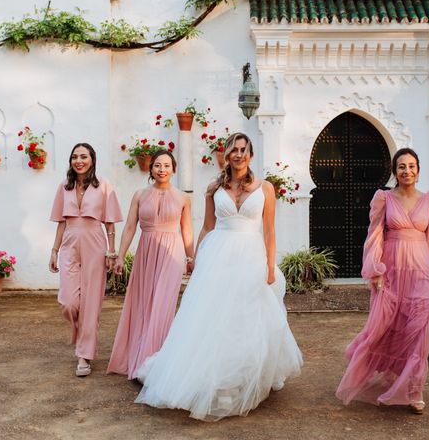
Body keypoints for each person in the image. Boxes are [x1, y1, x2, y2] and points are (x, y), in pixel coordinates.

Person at [134, 132, 303, 421]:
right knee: (213, 317)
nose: (238, 155)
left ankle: (239, 379)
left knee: (245, 317)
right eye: (233, 150)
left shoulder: (266, 189)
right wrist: (197, 259)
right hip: (218, 256)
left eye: (243, 150)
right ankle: (215, 380)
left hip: (251, 257)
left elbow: (270, 231)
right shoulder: (214, 188)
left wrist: (270, 267)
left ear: (250, 155)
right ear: (226, 154)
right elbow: (207, 227)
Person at [336, 148, 429, 414]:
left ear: (418, 169)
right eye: (401, 166)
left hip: (421, 269)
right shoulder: (384, 198)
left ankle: (414, 388)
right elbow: (374, 234)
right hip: (391, 267)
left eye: (412, 166)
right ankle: (390, 374)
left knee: (420, 325)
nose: (407, 171)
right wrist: (376, 269)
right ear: (394, 171)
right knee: (389, 324)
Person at [107, 149, 194, 379]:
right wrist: (119, 256)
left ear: (173, 169)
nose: (162, 169)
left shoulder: (184, 198)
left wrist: (190, 257)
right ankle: (140, 360)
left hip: (171, 254)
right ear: (151, 168)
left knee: (163, 305)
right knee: (144, 304)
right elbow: (129, 228)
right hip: (146, 252)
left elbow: (187, 230)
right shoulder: (139, 194)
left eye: (166, 165)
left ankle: (156, 365)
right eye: (157, 165)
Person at [49, 143, 123, 377]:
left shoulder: (103, 185)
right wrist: (54, 250)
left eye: (83, 156)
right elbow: (61, 221)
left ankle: (84, 355)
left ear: (92, 159)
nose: (78, 160)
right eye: (74, 157)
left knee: (91, 303)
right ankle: (81, 334)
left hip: (95, 242)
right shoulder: (64, 186)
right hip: (70, 241)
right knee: (69, 302)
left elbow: (109, 223)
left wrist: (112, 252)